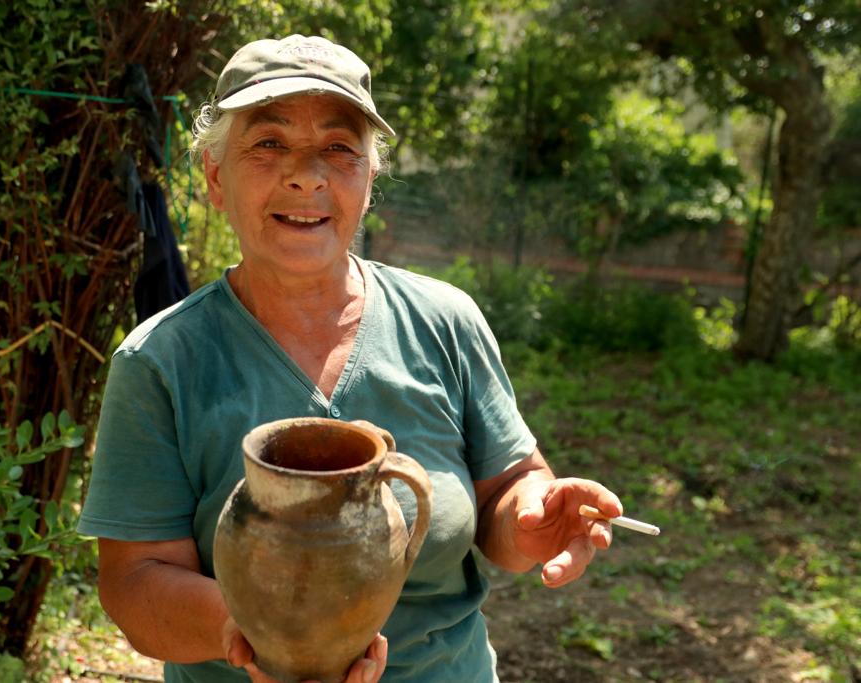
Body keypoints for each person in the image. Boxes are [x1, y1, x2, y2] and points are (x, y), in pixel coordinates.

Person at [77, 34, 623, 683]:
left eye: (339, 148)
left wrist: (532, 515)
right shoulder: (162, 362)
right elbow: (136, 581)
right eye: (269, 142)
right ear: (216, 177)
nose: (307, 175)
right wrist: (259, 632)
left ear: (369, 179)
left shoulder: (444, 321)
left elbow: (506, 491)